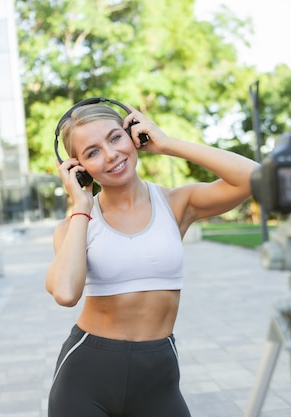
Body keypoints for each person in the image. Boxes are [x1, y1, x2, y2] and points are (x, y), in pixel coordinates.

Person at [45, 101, 259, 417]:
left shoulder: (176, 203)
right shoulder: (75, 224)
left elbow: (254, 178)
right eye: (92, 152)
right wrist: (81, 204)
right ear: (78, 167)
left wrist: (167, 143)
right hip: (86, 378)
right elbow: (64, 293)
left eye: (115, 138)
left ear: (134, 135)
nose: (110, 155)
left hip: (158, 376)